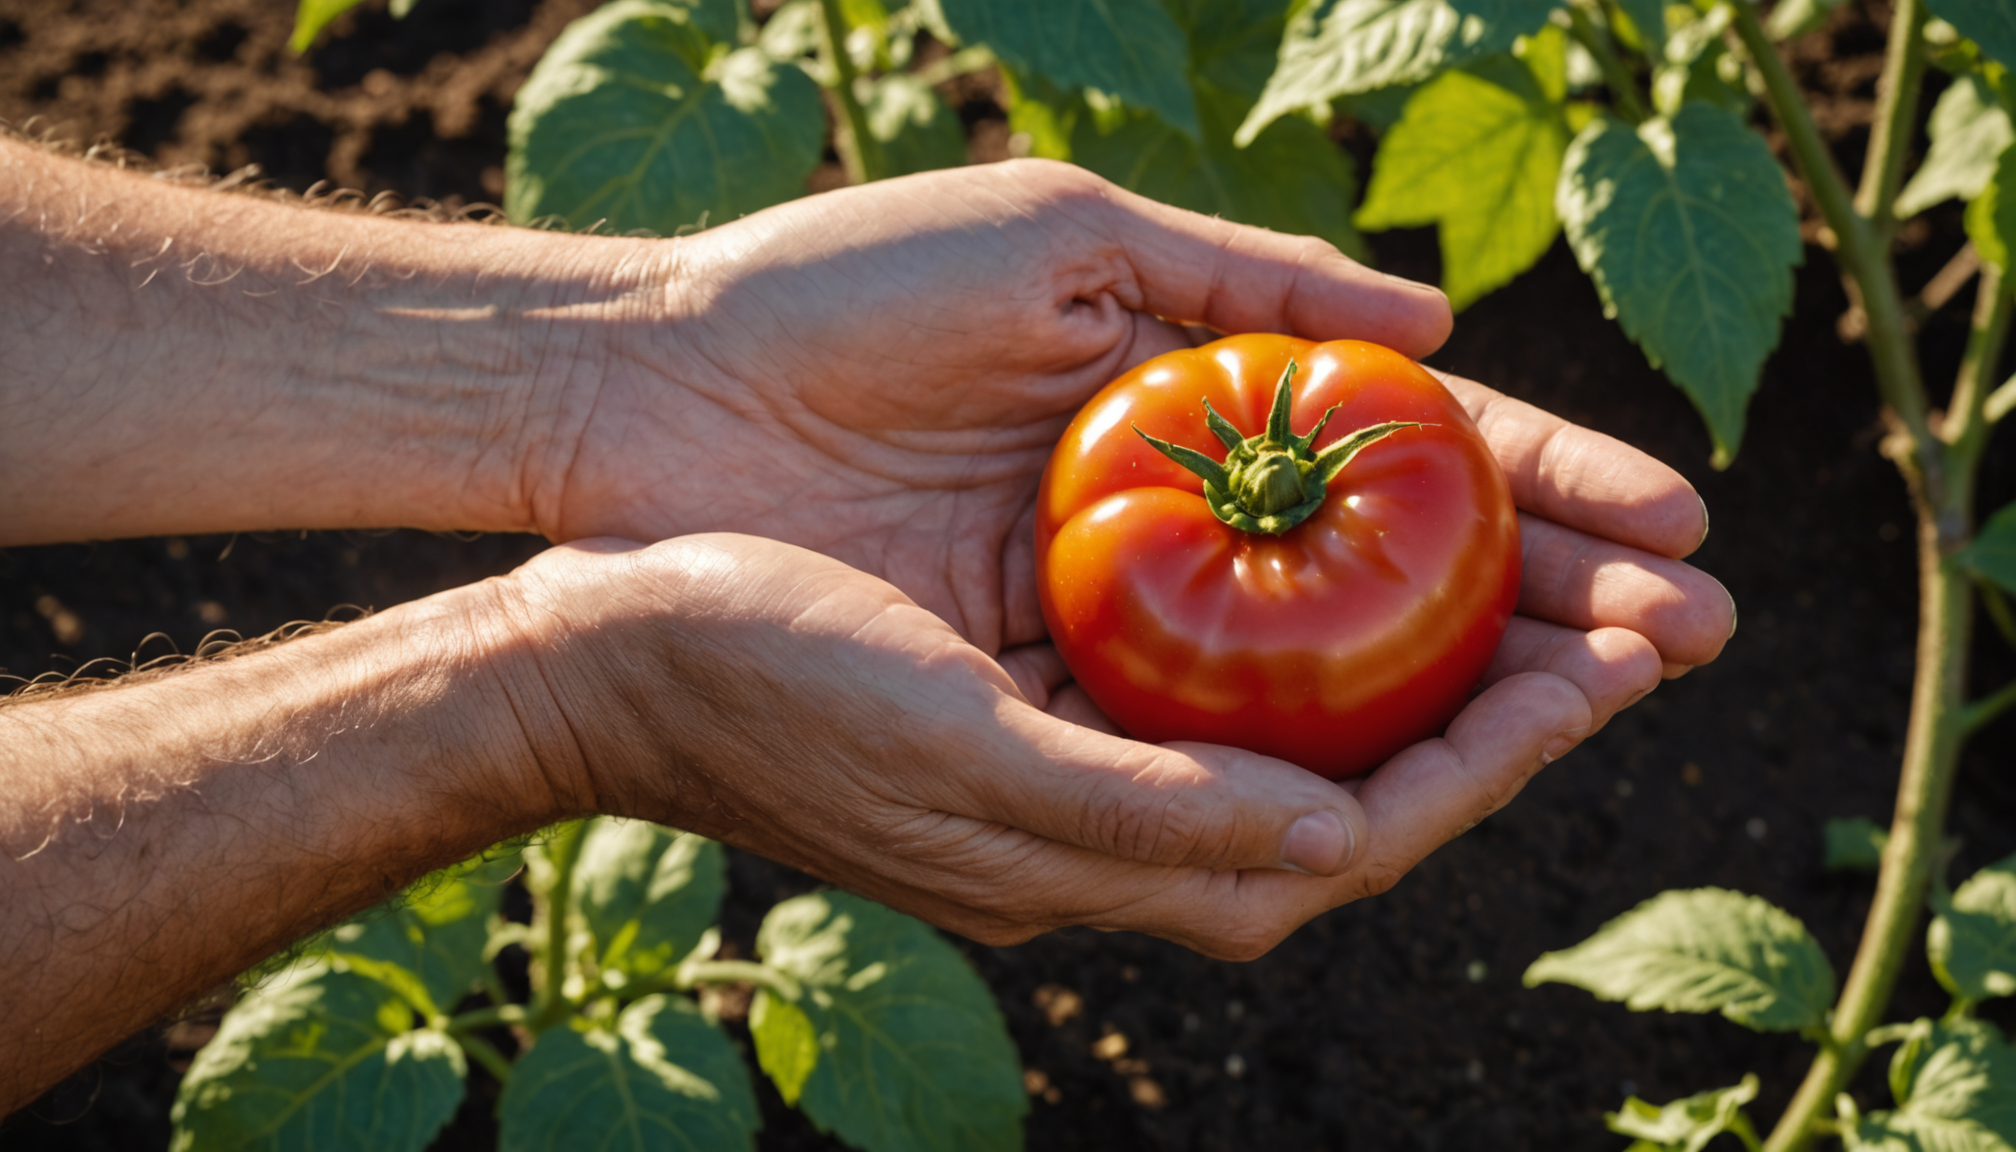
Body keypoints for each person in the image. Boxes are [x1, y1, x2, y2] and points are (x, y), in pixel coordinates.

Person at [0, 135, 1733, 1113]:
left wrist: (626, 351)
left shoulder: (1190, 458)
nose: (1269, 471)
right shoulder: (1310, 439)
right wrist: (550, 697)